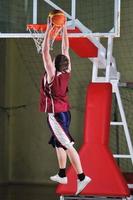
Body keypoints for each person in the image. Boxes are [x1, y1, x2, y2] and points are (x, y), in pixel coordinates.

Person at [40, 17, 91, 195]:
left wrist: (49, 29)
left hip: (56, 115)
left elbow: (45, 50)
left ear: (54, 64)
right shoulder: (67, 71)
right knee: (58, 143)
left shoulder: (52, 74)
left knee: (68, 145)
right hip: (65, 113)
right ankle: (62, 173)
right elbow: (65, 49)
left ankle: (82, 177)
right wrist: (63, 30)